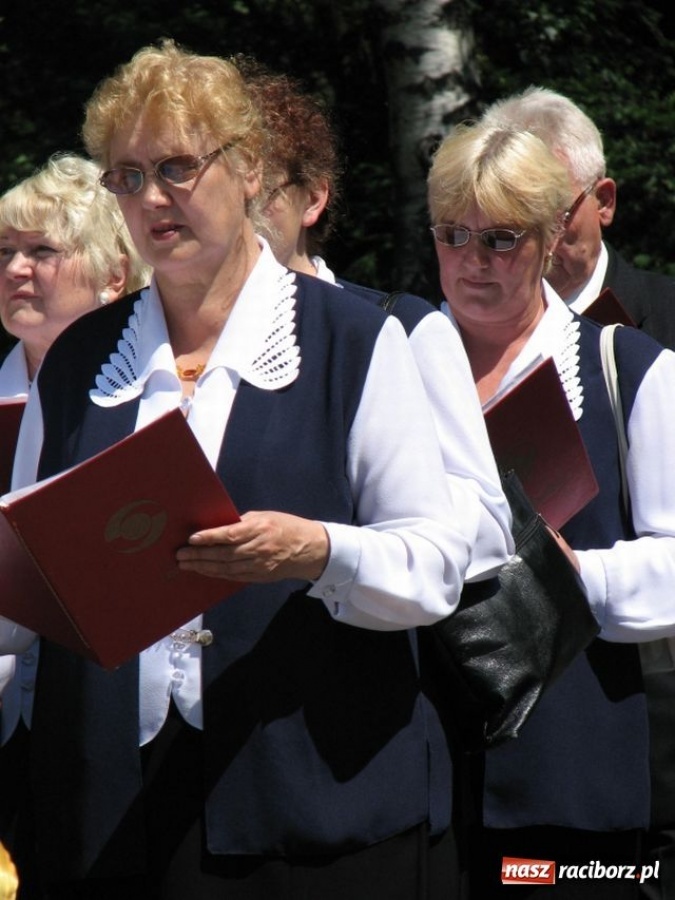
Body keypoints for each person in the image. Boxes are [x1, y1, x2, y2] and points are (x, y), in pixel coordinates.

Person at [0, 41, 512, 900]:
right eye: (124, 177)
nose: (150, 197)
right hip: (110, 815)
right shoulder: (82, 358)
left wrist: (317, 550)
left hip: (308, 802)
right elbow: (23, 591)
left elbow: (433, 567)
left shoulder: (354, 339)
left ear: (245, 170)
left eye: (174, 167)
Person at [426, 119, 675, 899]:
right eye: (452, 234)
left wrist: (577, 572)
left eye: (499, 238)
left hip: (570, 763)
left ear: (546, 237)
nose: (472, 260)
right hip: (415, 759)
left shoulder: (628, 369)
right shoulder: (393, 363)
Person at [242, 59, 512, 587]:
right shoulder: (176, 340)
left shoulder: (402, 329)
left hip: (356, 647)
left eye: (262, 191)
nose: (242, 210)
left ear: (313, 199)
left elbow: (487, 529)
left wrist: (359, 519)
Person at [0, 152, 150, 898]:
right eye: (5, 253)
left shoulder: (153, 403)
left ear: (114, 273)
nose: (17, 270)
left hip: (109, 732)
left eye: (42, 252)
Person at [480, 85, 675, 350]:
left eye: (553, 219)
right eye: (506, 225)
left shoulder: (666, 317)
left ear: (604, 202)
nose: (531, 244)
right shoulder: (457, 335)